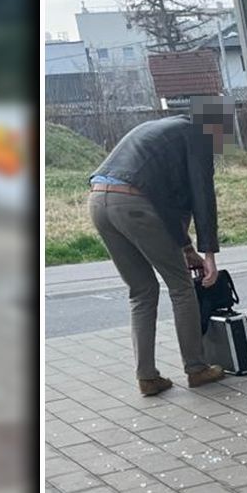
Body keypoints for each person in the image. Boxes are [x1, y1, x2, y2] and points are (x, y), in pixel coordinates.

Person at [87, 98, 233, 395]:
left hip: (99, 201)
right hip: (133, 203)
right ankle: (197, 369)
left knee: (141, 291)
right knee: (181, 287)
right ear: (217, 128)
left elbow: (167, 201)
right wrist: (209, 255)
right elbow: (202, 196)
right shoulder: (199, 136)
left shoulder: (165, 131)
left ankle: (147, 377)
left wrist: (187, 249)